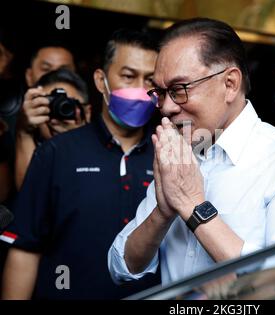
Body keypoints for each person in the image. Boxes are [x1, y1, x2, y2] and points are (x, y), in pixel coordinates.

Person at [108, 18, 275, 286]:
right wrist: (162, 213)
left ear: (230, 83)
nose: (166, 107)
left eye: (179, 89)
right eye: (161, 92)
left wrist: (193, 206)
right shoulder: (179, 155)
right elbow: (120, 266)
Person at [1, 28, 160, 300]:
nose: (140, 89)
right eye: (128, 76)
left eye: (150, 80)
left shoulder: (169, 156)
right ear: (101, 80)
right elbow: (25, 251)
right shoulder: (57, 153)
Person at [14, 68, 91, 189]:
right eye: (50, 106)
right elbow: (30, 196)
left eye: (67, 105)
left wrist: (75, 140)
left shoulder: (103, 148)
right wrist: (24, 131)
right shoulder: (34, 150)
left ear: (87, 112)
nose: (59, 114)